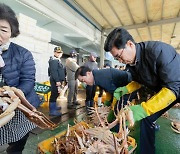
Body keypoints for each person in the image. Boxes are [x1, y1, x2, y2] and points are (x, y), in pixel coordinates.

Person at [104, 27, 180, 154]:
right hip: (164, 91)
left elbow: (174, 86)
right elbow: (140, 81)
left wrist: (144, 109)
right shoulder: (131, 64)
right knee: (147, 119)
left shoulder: (159, 51)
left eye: (119, 56)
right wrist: (126, 89)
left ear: (130, 44)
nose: (121, 61)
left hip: (174, 87)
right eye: (117, 59)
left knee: (146, 112)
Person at [0, 3, 41, 153]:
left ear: (12, 32)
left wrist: (11, 95)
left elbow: (28, 81)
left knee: (18, 142)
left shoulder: (23, 54)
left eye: (3, 30)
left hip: (20, 107)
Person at [48, 46, 66, 116]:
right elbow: (54, 71)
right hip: (55, 80)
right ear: (54, 52)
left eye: (60, 52)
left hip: (57, 80)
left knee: (56, 94)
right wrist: (57, 81)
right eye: (57, 52)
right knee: (54, 94)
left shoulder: (57, 60)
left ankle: (54, 106)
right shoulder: (54, 60)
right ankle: (52, 111)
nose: (59, 54)